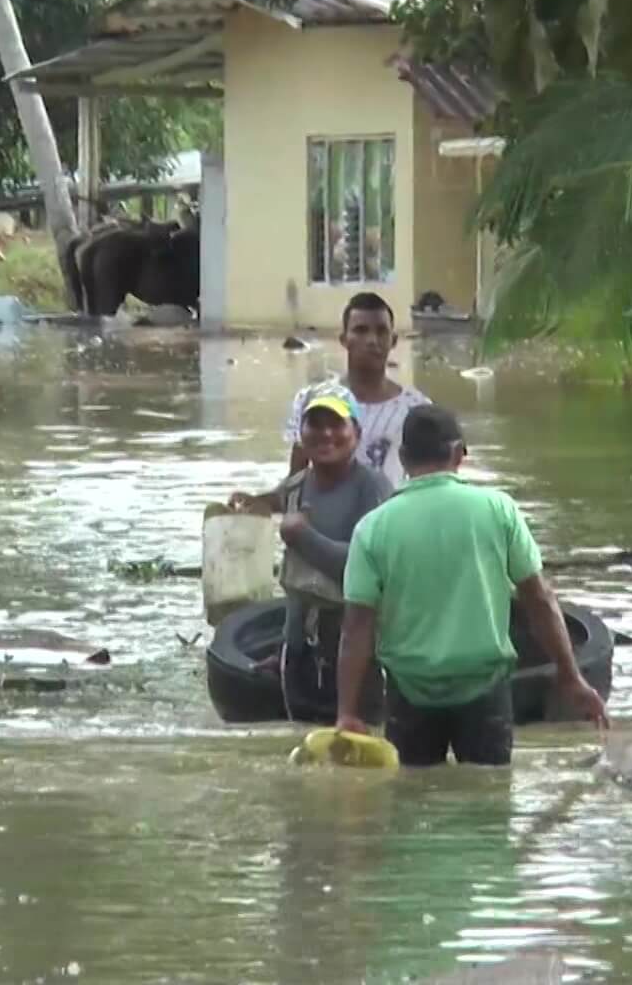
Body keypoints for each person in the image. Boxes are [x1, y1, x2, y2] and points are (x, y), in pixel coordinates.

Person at [334, 404, 608, 766]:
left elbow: (357, 627)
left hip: (409, 693)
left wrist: (346, 712)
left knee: (413, 807)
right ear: (459, 452)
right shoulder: (498, 510)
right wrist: (571, 677)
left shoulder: (372, 528)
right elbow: (539, 599)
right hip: (485, 691)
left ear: (402, 458)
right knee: (488, 804)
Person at [230, 385, 392, 721]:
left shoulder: (372, 487)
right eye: (315, 424)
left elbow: (365, 570)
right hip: (299, 651)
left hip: (357, 650)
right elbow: (298, 584)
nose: (326, 434)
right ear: (301, 434)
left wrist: (303, 536)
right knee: (305, 751)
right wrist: (246, 505)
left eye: (336, 424)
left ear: (357, 433)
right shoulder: (296, 486)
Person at [284, 293, 431, 488]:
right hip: (326, 515)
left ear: (393, 340)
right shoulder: (311, 400)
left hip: (388, 514)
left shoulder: (417, 409)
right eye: (361, 331)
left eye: (381, 331)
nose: (372, 340)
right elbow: (295, 480)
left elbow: (427, 486)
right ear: (344, 339)